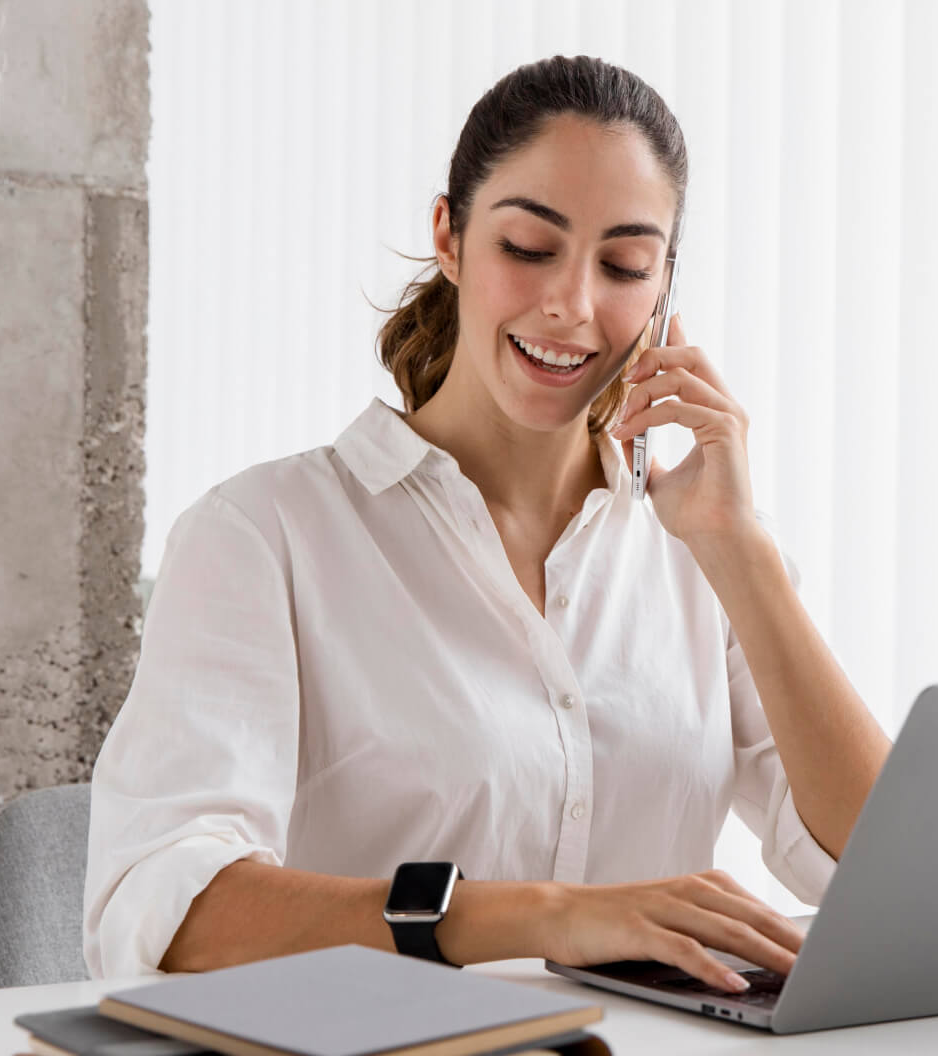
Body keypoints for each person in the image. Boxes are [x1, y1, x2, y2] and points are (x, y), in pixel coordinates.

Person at [83, 55, 892, 994]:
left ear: (665, 287)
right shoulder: (263, 536)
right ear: (451, 238)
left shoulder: (703, 555)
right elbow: (165, 904)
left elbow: (894, 872)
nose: (572, 305)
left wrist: (741, 554)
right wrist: (546, 916)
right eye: (529, 247)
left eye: (625, 266)